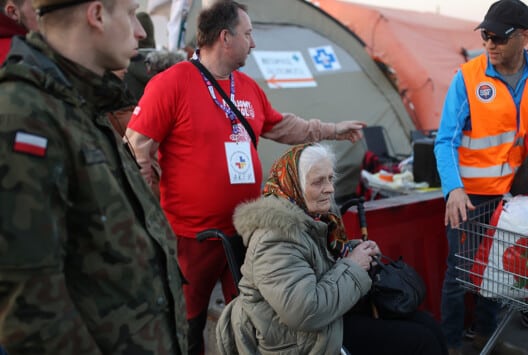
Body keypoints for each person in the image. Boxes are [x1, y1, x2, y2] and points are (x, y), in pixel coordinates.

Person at [125, 1, 365, 353]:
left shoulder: (247, 87)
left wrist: (331, 130)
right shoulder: (171, 84)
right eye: (248, 34)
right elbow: (136, 149)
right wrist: (149, 214)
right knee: (186, 322)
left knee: (252, 320)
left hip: (246, 233)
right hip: (191, 237)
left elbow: (281, 125)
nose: (253, 43)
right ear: (226, 37)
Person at [0, 0, 187, 353]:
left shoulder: (82, 104)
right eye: (131, 13)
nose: (141, 31)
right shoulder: (26, 115)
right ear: (97, 14)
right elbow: (33, 314)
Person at [216, 143, 448, 355]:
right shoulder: (275, 239)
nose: (329, 188)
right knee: (421, 342)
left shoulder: (315, 217)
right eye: (318, 182)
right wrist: (354, 266)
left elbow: (319, 265)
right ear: (293, 184)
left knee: (429, 326)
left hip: (330, 317)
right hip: (298, 339)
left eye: (330, 178)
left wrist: (355, 251)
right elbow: (305, 311)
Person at [433, 1, 528, 354]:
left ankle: (486, 339)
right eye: (485, 36)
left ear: (525, 37)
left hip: (515, 197)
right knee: (459, 274)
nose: (489, 44)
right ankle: (450, 345)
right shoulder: (468, 77)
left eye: (498, 38)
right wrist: (453, 190)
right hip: (470, 197)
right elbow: (445, 140)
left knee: (499, 273)